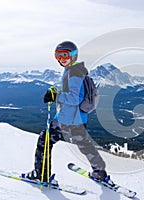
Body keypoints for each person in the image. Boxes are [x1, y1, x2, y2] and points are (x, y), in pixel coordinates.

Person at [24, 41, 107, 184]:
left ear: (73, 56)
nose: (61, 59)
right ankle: (100, 172)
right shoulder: (75, 70)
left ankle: (40, 174)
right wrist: (56, 93)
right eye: (58, 56)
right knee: (85, 145)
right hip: (78, 120)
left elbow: (74, 98)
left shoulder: (74, 73)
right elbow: (73, 93)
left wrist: (55, 96)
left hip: (66, 120)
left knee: (44, 142)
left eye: (64, 55)